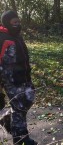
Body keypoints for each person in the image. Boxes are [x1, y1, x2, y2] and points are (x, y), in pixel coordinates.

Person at [0, 10, 37, 145]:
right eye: (14, 22)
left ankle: (7, 119)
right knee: (20, 108)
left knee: (30, 98)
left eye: (18, 22)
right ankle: (21, 139)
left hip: (24, 77)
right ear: (7, 23)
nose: (17, 24)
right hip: (11, 81)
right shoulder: (3, 38)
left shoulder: (17, 36)